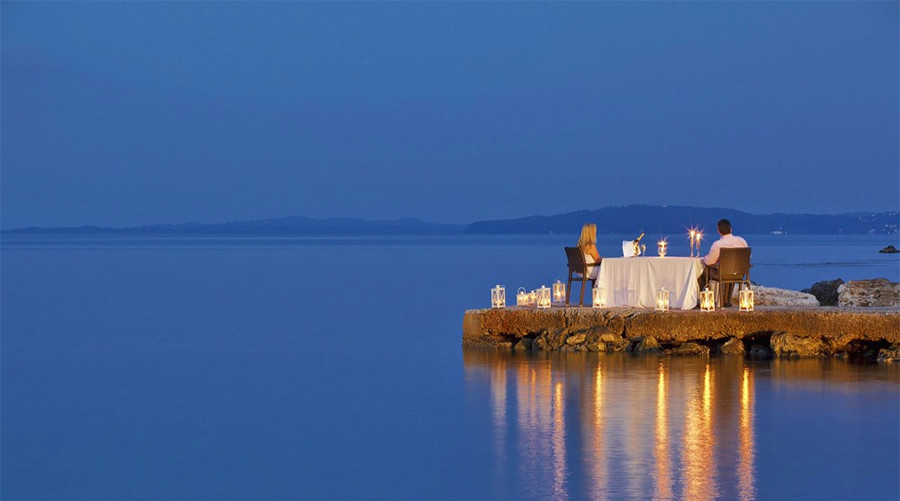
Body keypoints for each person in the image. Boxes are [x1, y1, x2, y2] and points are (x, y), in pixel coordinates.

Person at [701, 219, 748, 306]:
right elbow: (747, 258)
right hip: (740, 273)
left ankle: (704, 301)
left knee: (703, 273)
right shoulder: (741, 241)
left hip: (723, 274)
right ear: (731, 229)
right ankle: (726, 301)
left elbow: (709, 261)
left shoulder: (718, 244)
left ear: (718, 231)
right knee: (730, 270)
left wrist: (704, 259)